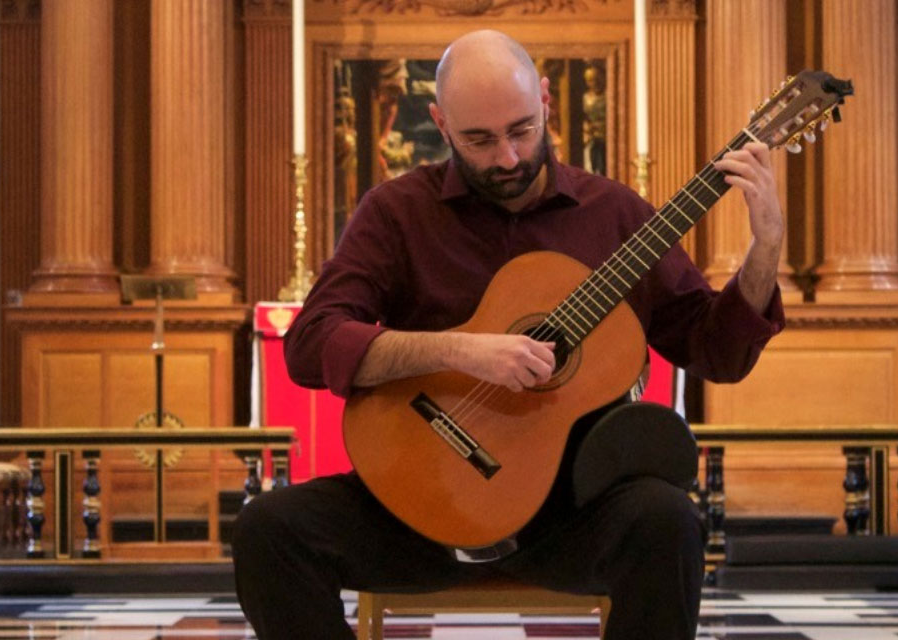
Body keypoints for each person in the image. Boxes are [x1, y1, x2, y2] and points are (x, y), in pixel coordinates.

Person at [233, 29, 785, 640]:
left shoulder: (615, 216)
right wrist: (461, 351)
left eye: (522, 129)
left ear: (545, 101)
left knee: (668, 522)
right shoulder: (397, 213)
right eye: (479, 139)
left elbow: (717, 351)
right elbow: (311, 342)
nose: (508, 158)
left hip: (567, 513)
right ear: (441, 124)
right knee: (268, 529)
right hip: (415, 507)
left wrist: (765, 252)